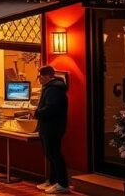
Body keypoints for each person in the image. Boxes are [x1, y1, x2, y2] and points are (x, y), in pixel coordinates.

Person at [35, 65, 70, 194]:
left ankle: (62, 183)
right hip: (49, 127)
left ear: (48, 76)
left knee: (54, 154)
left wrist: (37, 113)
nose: (39, 79)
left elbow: (51, 109)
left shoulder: (53, 90)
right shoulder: (51, 88)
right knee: (50, 154)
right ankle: (53, 180)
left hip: (52, 127)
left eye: (40, 76)